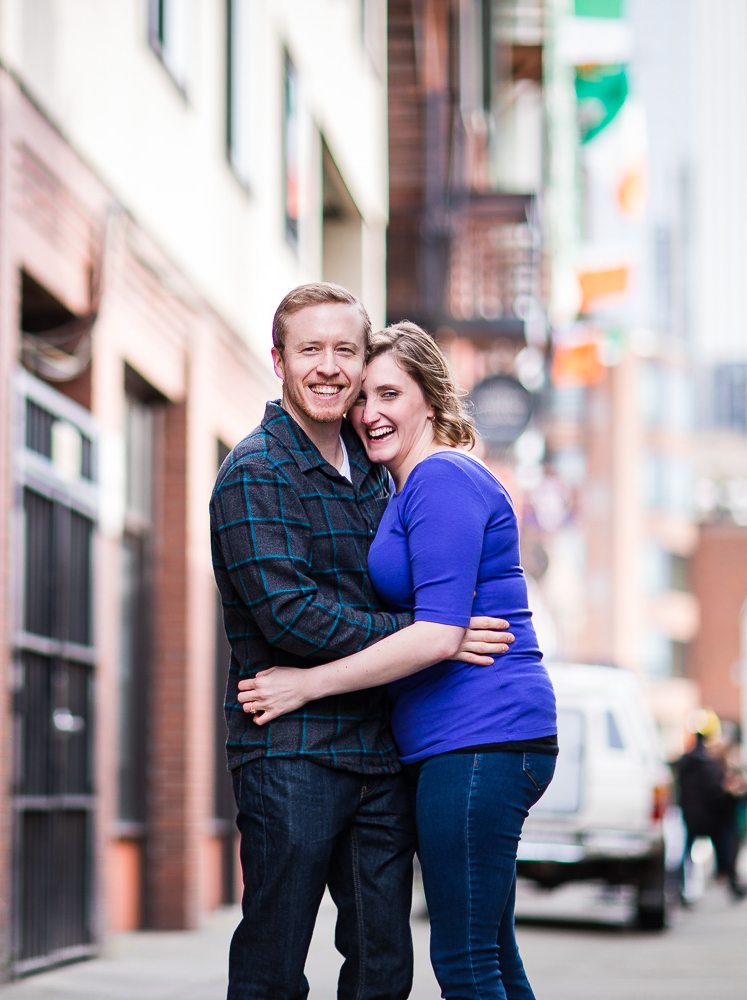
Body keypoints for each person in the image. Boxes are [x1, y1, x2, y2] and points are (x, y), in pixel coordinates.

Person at [210, 288, 515, 1000]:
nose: (328, 367)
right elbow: (291, 617)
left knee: (385, 963)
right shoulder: (256, 471)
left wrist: (436, 633)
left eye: (345, 349)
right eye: (310, 350)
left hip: (381, 752)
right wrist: (432, 636)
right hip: (293, 751)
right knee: (275, 959)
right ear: (279, 360)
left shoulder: (379, 469)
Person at [673, 716, 747, 901]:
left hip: (691, 816)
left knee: (686, 854)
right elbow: (715, 792)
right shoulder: (708, 765)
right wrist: (730, 793)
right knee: (727, 846)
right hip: (711, 818)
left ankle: (680, 890)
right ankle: (732, 884)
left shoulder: (685, 763)